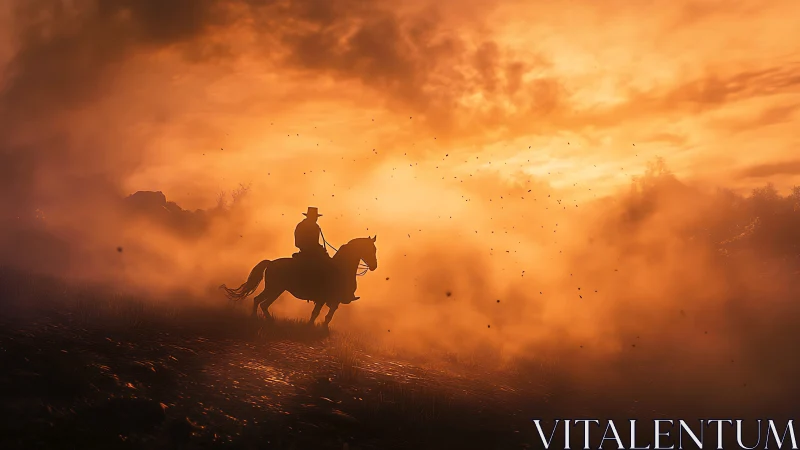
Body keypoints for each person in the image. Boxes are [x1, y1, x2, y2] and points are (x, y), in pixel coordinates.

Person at [293, 207, 359, 303]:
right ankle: (325, 292)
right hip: (309, 252)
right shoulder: (307, 226)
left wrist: (318, 248)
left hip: (311, 251)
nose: (316, 219)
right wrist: (316, 248)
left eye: (316, 217)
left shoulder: (310, 226)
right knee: (330, 267)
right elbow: (304, 242)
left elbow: (311, 242)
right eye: (315, 217)